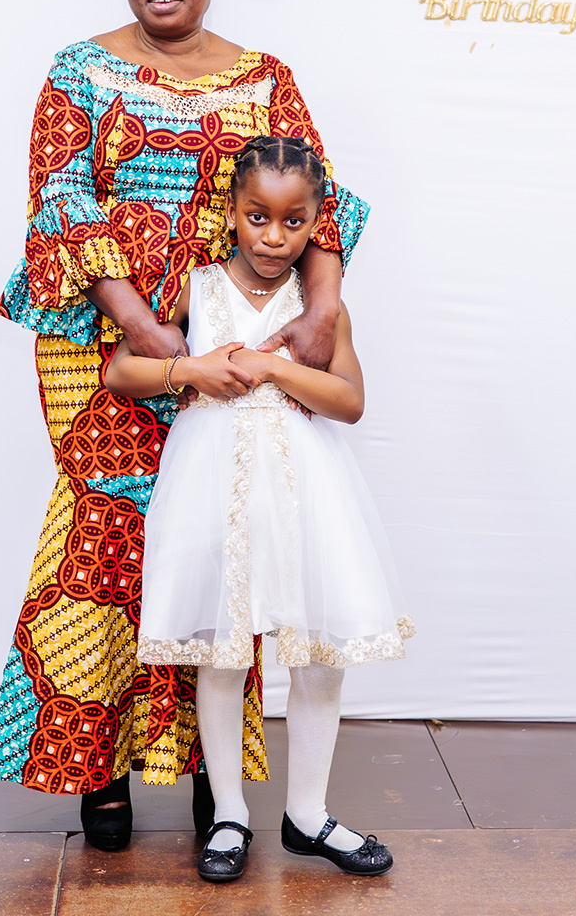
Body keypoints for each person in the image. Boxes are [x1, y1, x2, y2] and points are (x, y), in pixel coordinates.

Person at [0, 0, 370, 855]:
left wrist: (322, 311)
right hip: (103, 342)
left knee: (224, 539)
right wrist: (142, 324)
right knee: (110, 540)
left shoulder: (266, 78)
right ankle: (99, 767)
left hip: (235, 325)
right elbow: (59, 203)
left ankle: (213, 779)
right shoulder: (80, 70)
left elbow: (321, 200)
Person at [107, 135, 411, 883]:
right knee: (222, 653)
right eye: (258, 217)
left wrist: (271, 365)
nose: (274, 237)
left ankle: (308, 815)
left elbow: (349, 401)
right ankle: (230, 816)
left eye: (293, 222)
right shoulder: (197, 288)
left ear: (315, 224)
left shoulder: (319, 309)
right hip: (213, 490)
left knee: (318, 655)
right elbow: (121, 370)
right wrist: (192, 368)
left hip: (305, 495)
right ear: (233, 212)